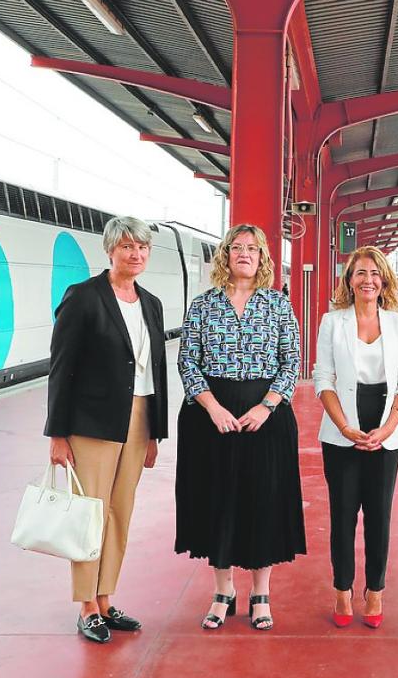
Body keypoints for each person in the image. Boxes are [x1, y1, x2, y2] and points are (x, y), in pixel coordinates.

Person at [175, 223, 305, 632]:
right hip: (211, 418)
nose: (244, 253)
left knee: (262, 500)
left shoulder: (278, 305)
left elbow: (291, 360)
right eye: (237, 247)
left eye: (252, 248)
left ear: (263, 257)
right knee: (219, 501)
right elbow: (186, 360)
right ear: (225, 256)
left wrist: (267, 406)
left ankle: (261, 592)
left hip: (265, 418)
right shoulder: (202, 305)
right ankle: (223, 590)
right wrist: (211, 407)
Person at [45, 216, 168, 645]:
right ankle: (85, 606)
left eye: (143, 248)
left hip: (137, 419)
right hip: (91, 423)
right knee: (88, 513)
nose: (136, 254)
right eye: (128, 247)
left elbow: (156, 370)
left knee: (120, 512)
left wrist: (154, 432)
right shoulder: (83, 297)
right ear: (110, 250)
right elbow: (61, 368)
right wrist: (57, 434)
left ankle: (106, 597)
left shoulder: (151, 302)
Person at [313, 247, 398, 629]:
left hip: (387, 427)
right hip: (342, 427)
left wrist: (390, 426)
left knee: (379, 514)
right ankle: (342, 589)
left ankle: (375, 590)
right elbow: (323, 378)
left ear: (384, 279)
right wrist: (343, 426)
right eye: (360, 273)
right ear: (349, 280)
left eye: (375, 272)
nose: (368, 279)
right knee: (342, 514)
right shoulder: (332, 322)